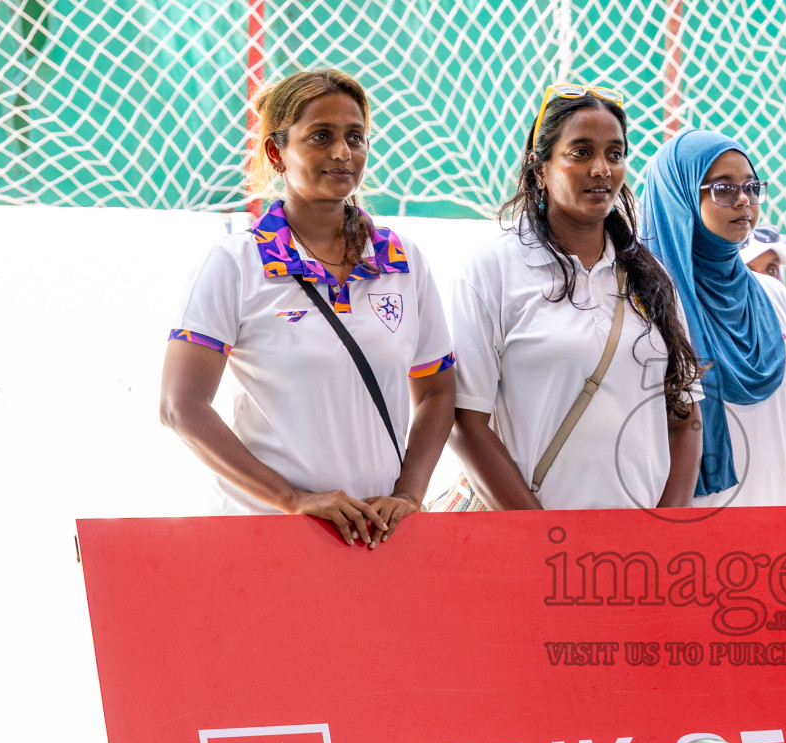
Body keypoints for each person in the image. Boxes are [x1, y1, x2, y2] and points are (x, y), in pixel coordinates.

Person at [160, 69, 456, 546]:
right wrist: (292, 498)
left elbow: (438, 392)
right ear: (277, 152)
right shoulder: (235, 264)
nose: (343, 153)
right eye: (321, 136)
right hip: (266, 535)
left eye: (355, 137)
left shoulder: (403, 261)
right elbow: (181, 408)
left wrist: (409, 495)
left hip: (376, 541)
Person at [447, 84, 704, 511]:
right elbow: (464, 422)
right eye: (581, 152)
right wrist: (540, 537)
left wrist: (664, 536)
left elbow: (685, 417)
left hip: (635, 554)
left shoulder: (650, 277)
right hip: (533, 550)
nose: (602, 168)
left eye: (615, 153)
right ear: (540, 169)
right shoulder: (492, 269)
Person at [640, 129, 786, 507]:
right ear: (678, 198)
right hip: (678, 552)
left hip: (777, 552)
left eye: (752, 186)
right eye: (723, 188)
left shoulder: (773, 297)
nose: (744, 199)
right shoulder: (643, 307)